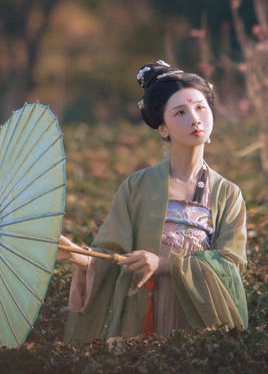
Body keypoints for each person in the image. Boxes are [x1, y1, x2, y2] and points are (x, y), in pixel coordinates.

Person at [59, 60, 248, 341]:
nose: (195, 119)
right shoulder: (136, 187)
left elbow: (230, 263)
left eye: (201, 108)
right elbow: (113, 257)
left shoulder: (228, 193)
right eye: (180, 112)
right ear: (163, 128)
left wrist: (163, 264)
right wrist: (80, 256)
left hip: (198, 314)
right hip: (142, 308)